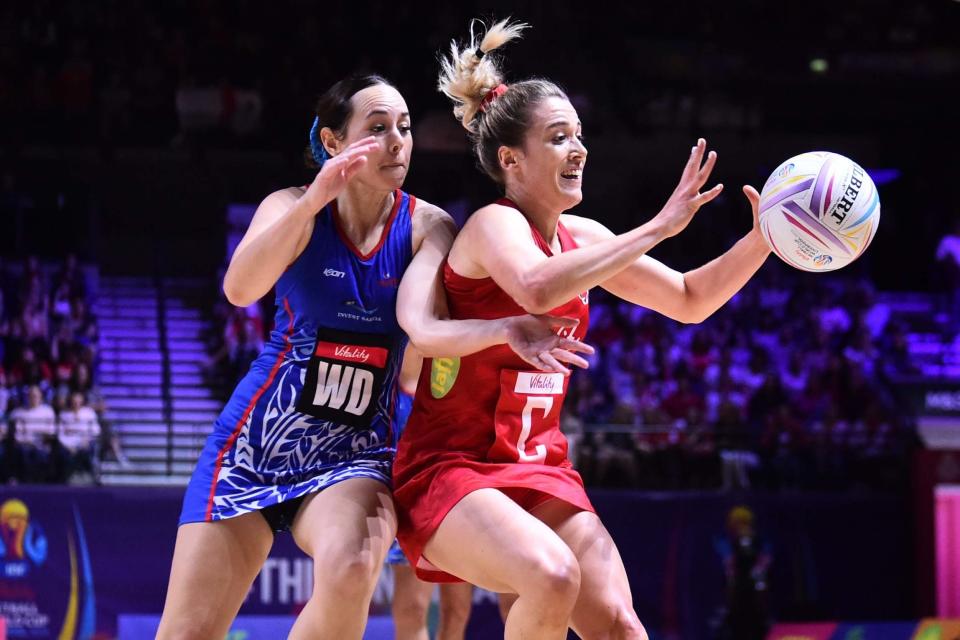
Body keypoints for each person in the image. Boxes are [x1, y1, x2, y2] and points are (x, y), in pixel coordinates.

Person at [157, 73, 592, 640]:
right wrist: (316, 195)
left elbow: (429, 329)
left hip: (355, 451)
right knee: (187, 631)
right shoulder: (292, 207)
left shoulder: (427, 225)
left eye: (405, 128)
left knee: (355, 562)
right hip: (257, 443)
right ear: (335, 142)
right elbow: (240, 289)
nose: (397, 142)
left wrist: (502, 330)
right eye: (379, 128)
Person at [393, 20, 771, 639]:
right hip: (451, 468)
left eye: (579, 135)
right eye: (559, 137)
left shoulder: (587, 238)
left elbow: (690, 298)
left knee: (622, 627)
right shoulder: (492, 225)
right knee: (550, 576)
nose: (580, 149)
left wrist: (764, 241)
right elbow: (538, 287)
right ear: (511, 159)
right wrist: (655, 228)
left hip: (539, 466)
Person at [389, 346, 473, 640]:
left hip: (463, 492)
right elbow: (419, 339)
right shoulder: (416, 353)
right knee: (412, 607)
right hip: (416, 497)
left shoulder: (474, 363)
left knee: (457, 610)